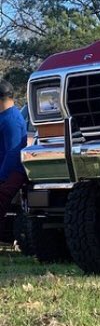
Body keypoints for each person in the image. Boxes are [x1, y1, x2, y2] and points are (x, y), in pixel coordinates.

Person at [0, 79, 27, 228]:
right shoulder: (4, 117)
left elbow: (13, 152)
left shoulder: (11, 120)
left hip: (11, 174)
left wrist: (2, 178)